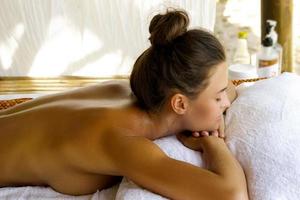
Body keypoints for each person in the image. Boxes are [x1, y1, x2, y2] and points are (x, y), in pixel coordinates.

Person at [0, 10, 248, 200]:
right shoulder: (125, 141)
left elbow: (231, 88)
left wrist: (211, 108)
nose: (226, 101)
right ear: (180, 103)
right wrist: (212, 142)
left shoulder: (138, 89)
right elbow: (231, 195)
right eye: (218, 98)